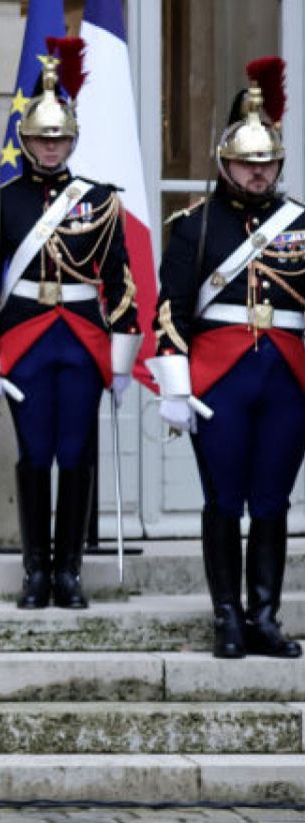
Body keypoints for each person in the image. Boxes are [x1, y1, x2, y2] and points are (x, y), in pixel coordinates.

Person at [0, 38, 138, 611]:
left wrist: (120, 363)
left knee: (77, 454)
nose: (50, 146)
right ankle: (35, 572)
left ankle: (71, 573)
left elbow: (121, 285)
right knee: (36, 454)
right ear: (25, 140)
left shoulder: (100, 203)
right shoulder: (3, 204)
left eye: (59, 137)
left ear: (72, 140)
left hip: (83, 340)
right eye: (41, 137)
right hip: (25, 342)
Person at [149, 57, 304, 660]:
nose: (257, 173)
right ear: (225, 163)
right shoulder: (194, 227)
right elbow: (170, 313)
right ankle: (228, 618)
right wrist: (175, 387)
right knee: (225, 501)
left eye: (266, 164)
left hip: (287, 379)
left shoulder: (299, 227)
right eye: (247, 163)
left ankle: (265, 616)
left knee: (272, 500)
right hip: (219, 380)